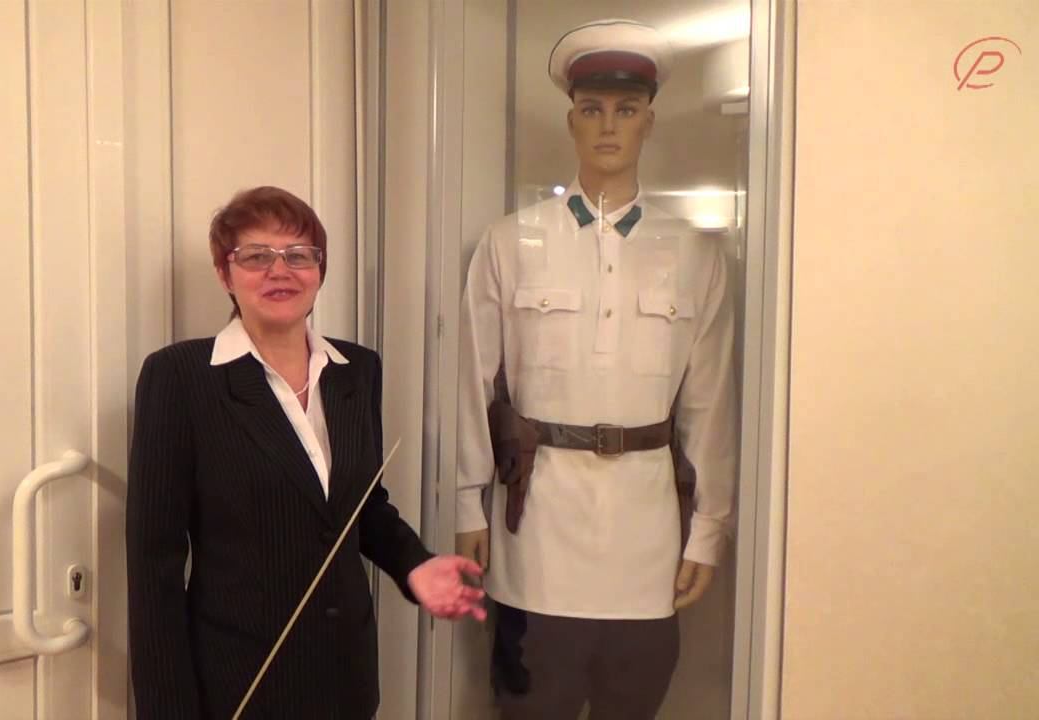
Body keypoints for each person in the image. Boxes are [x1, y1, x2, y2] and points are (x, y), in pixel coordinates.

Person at [454, 19, 737, 720]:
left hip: (646, 544)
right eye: (592, 109)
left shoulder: (693, 254)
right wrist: (464, 501)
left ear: (649, 122)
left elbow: (710, 405)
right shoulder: (511, 242)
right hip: (534, 536)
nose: (609, 125)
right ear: (572, 121)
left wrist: (710, 527)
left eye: (627, 109)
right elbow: (468, 383)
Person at [127, 186, 486, 720]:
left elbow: (362, 506)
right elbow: (153, 565)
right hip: (237, 684)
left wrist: (415, 565)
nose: (280, 271)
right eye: (256, 256)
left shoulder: (356, 371)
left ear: (319, 271)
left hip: (346, 679)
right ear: (225, 274)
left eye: (298, 255)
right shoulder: (179, 377)